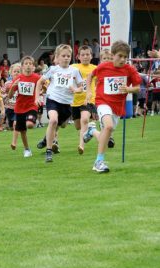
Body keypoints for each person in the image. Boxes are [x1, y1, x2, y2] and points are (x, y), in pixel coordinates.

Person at [83, 40, 141, 173]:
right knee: (108, 127)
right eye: (120, 56)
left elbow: (138, 87)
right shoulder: (104, 67)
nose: (123, 59)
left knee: (106, 134)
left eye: (125, 57)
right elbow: (90, 75)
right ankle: (99, 162)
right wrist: (89, 92)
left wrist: (128, 89)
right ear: (113, 54)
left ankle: (92, 131)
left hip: (117, 107)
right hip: (103, 102)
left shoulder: (129, 70)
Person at [35, 44, 83, 163]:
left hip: (66, 104)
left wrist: (76, 90)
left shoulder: (75, 71)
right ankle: (49, 151)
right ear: (57, 57)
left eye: (68, 56)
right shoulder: (53, 69)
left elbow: (81, 87)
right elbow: (40, 82)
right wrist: (37, 97)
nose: (66, 58)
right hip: (53, 100)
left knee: (60, 125)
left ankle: (46, 139)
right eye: (63, 56)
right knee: (53, 121)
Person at [8, 56, 40, 157]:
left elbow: (44, 86)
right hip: (20, 107)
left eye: (30, 63)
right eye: (26, 63)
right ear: (22, 67)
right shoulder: (18, 78)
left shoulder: (37, 78)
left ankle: (23, 126)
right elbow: (10, 96)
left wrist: (44, 87)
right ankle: (27, 149)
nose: (28, 66)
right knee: (22, 131)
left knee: (30, 124)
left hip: (32, 106)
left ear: (33, 66)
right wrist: (13, 86)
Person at [71, 45, 97, 155]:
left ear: (91, 56)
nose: (85, 57)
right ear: (78, 56)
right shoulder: (73, 67)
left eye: (87, 54)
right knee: (78, 126)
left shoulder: (95, 68)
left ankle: (81, 145)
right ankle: (89, 131)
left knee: (85, 119)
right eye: (83, 55)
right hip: (75, 101)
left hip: (89, 99)